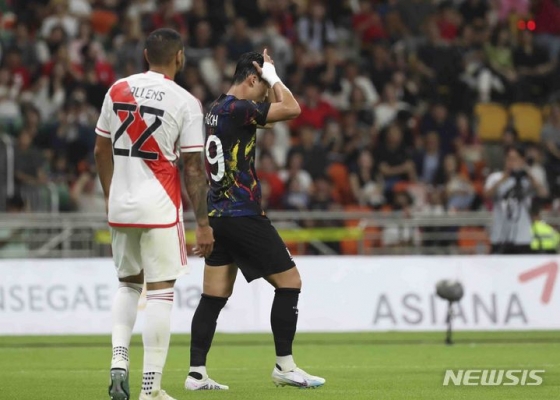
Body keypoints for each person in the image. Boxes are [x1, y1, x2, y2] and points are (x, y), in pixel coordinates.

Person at [185, 50, 325, 390]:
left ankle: (196, 373)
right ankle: (284, 366)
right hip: (242, 214)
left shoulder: (217, 107)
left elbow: (273, 114)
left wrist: (269, 81)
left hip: (217, 215)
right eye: (262, 86)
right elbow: (292, 108)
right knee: (290, 282)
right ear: (252, 79)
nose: (266, 95)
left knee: (214, 295)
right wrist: (273, 77)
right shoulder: (240, 108)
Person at [94, 28, 214, 400]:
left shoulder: (117, 89)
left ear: (146, 55)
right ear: (180, 57)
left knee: (128, 285)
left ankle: (118, 362)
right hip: (159, 206)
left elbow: (100, 150)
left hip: (121, 205)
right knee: (160, 292)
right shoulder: (185, 101)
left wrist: (110, 195)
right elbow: (193, 167)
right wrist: (203, 223)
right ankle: (151, 388)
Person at [484, 145, 547, 254]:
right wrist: (504, 178)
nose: (512, 162)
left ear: (522, 160)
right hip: (500, 236)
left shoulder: (527, 180)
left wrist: (528, 174)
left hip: (523, 237)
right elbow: (486, 195)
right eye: (509, 159)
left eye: (515, 159)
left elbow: (543, 194)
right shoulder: (495, 177)